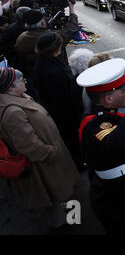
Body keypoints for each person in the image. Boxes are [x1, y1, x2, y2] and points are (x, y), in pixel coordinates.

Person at [77, 58, 125, 235]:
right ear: (108, 98)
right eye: (123, 90)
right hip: (118, 199)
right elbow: (121, 141)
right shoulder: (92, 124)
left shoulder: (107, 113)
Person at [0, 67, 80, 228]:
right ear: (11, 87)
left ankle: (68, 219)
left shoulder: (17, 98)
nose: (25, 82)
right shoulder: (12, 112)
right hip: (44, 165)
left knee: (60, 195)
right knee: (57, 196)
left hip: (48, 160)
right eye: (22, 81)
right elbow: (28, 145)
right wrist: (51, 152)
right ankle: (68, 223)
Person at [35, 33, 85, 169]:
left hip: (61, 109)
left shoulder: (46, 61)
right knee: (71, 138)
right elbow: (64, 93)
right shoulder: (51, 72)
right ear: (56, 48)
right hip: (64, 112)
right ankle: (77, 163)